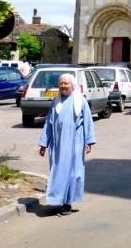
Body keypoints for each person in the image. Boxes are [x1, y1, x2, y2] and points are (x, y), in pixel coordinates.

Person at [38, 74, 96, 215]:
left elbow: (88, 122)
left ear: (72, 85)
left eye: (66, 84)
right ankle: (57, 199)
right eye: (61, 84)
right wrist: (44, 143)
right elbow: (49, 123)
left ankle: (67, 203)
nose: (63, 86)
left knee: (72, 173)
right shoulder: (56, 101)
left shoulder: (80, 100)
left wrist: (88, 142)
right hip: (58, 144)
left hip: (75, 142)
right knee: (58, 171)